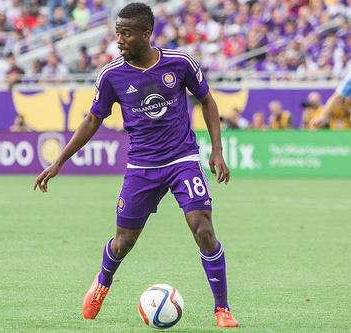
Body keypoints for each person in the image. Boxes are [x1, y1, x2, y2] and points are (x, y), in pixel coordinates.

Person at [34, 3, 238, 328]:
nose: (119, 40)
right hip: (141, 167)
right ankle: (103, 281)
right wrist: (59, 161)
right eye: (117, 33)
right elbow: (91, 120)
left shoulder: (180, 63)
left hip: (182, 159)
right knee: (123, 241)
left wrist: (217, 150)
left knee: (203, 228)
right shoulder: (112, 75)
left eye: (126, 34)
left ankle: (222, 309)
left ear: (146, 34)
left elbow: (207, 101)